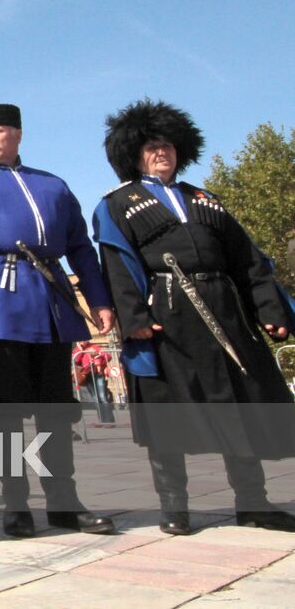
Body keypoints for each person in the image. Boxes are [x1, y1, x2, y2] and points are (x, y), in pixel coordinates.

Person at [93, 98, 295, 535]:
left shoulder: (205, 199)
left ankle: (254, 502)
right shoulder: (118, 204)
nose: (161, 152)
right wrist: (135, 318)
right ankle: (175, 508)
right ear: (133, 153)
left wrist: (270, 309)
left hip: (226, 311)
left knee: (238, 405)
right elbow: (117, 264)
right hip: (168, 316)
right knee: (168, 411)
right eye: (150, 146)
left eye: (167, 145)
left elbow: (249, 261)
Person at [0, 103, 117, 538]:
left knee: (57, 409)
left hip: (53, 302)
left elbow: (81, 248)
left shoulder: (52, 185)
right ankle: (15, 504)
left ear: (17, 133)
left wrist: (99, 299)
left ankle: (64, 502)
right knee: (8, 410)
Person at [71, 341, 115, 426]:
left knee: (102, 397)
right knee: (95, 398)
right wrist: (80, 350)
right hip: (87, 375)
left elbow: (108, 356)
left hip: (98, 374)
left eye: (84, 339)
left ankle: (109, 421)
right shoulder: (77, 350)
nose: (83, 341)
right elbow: (76, 361)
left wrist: (98, 355)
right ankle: (101, 420)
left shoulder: (94, 347)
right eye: (81, 340)